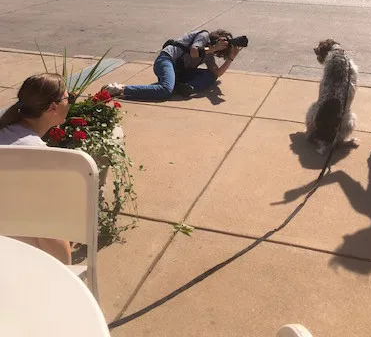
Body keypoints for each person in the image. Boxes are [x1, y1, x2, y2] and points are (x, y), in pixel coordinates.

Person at [0, 73, 73, 264]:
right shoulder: (37, 157)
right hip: (17, 259)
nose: (70, 101)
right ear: (53, 107)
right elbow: (49, 233)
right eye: (68, 98)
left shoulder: (6, 132)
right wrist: (65, 276)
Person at [104, 28, 243, 101]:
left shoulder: (208, 55)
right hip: (166, 60)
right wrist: (214, 48)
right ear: (218, 38)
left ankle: (187, 88)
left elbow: (216, 73)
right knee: (165, 91)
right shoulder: (204, 35)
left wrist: (231, 58)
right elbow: (194, 51)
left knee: (211, 76)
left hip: (179, 71)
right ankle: (120, 89)